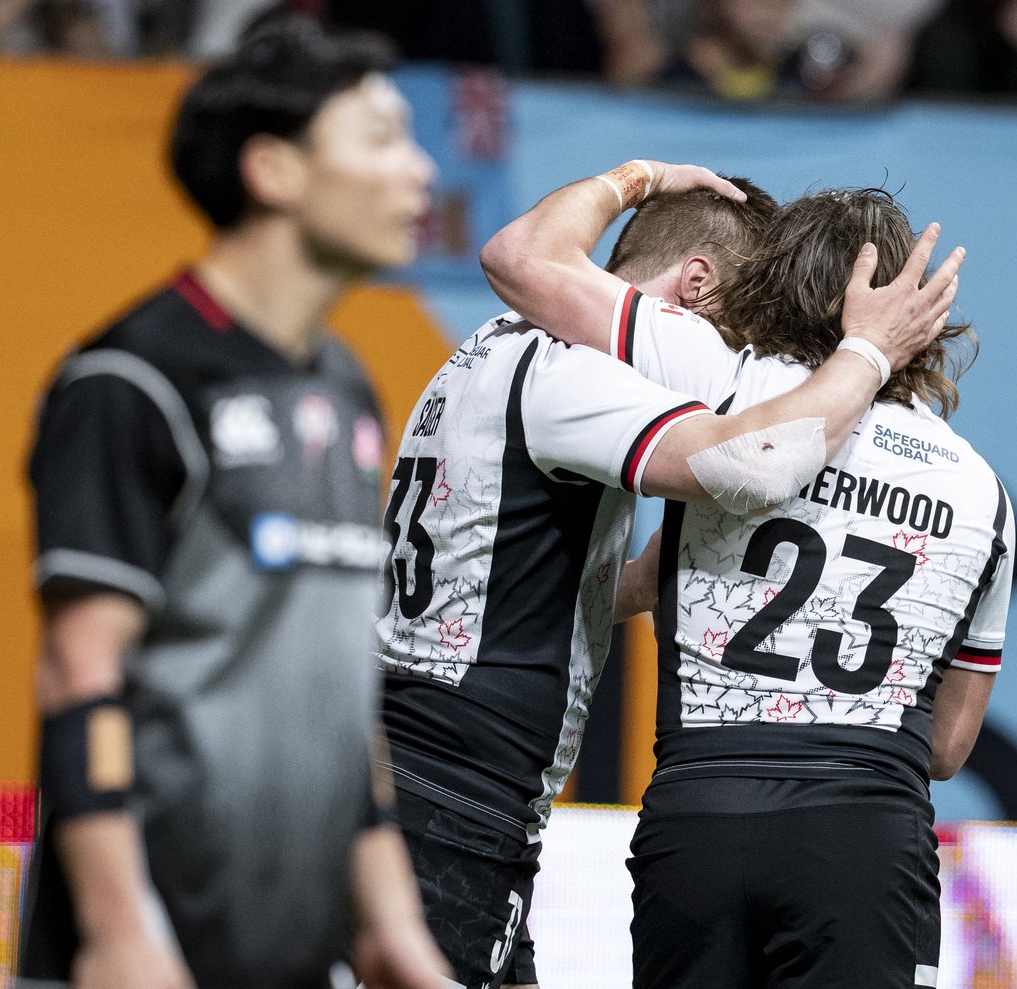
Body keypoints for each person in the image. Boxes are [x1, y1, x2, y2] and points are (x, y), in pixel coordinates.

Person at [379, 160, 964, 989]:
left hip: (426, 771)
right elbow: (755, 460)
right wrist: (869, 352)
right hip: (458, 791)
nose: (744, 360)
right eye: (743, 329)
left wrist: (673, 567)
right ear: (696, 287)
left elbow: (526, 584)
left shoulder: (482, 351)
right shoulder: (574, 373)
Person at [17, 16, 450, 989]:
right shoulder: (130, 381)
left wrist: (391, 923)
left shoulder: (345, 389)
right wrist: (119, 928)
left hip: (298, 944)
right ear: (274, 171)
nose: (418, 172)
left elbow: (341, 694)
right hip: (146, 948)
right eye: (380, 138)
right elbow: (78, 668)